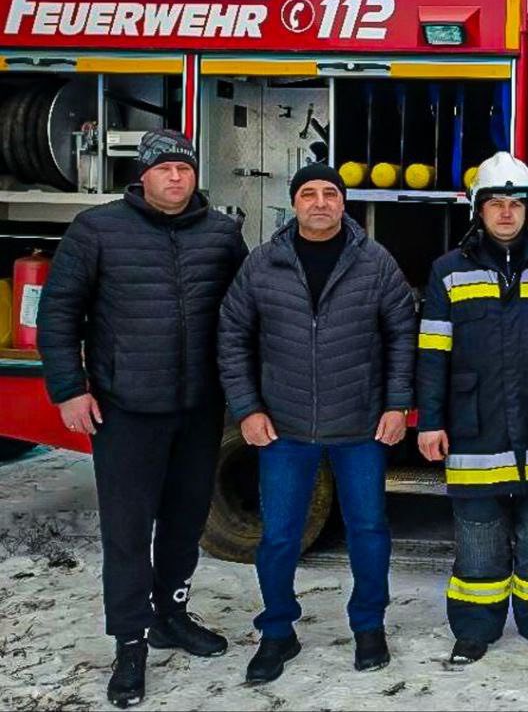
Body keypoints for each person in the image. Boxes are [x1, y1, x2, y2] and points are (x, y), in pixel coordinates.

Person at [37, 129, 247, 708]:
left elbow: (244, 314)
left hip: (199, 408)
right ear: (144, 175)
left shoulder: (223, 235)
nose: (176, 178)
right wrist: (68, 389)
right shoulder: (97, 230)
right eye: (164, 169)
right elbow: (58, 312)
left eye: (185, 168)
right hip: (125, 408)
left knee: (185, 523)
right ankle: (130, 642)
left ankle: (170, 616)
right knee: (128, 533)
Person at [218, 163, 416, 684]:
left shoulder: (374, 263)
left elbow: (402, 333)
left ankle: (369, 625)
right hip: (283, 427)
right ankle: (278, 631)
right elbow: (233, 336)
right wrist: (248, 409)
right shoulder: (264, 264)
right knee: (280, 537)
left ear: (344, 203)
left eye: (331, 193)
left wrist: (397, 405)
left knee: (369, 530)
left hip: (361, 425)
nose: (321, 202)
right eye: (310, 193)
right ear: (295, 203)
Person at [416, 152, 528, 663]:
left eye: (515, 203)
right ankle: (474, 628)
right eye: (495, 203)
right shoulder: (447, 271)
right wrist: (431, 419)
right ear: (477, 211)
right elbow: (432, 352)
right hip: (473, 428)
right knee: (478, 539)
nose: (505, 212)